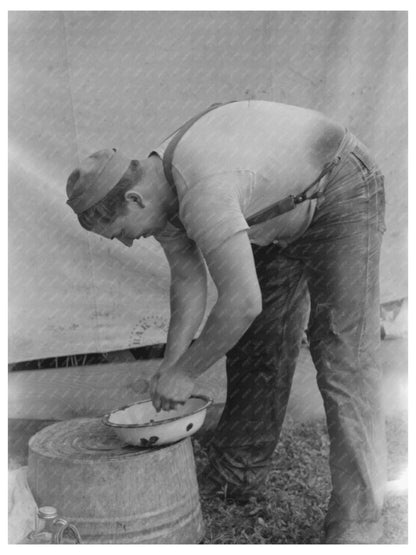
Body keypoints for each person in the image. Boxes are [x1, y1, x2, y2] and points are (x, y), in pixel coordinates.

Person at [66, 100, 387, 544]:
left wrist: (187, 372)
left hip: (340, 187)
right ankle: (237, 470)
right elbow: (187, 278)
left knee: (343, 354)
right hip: (275, 208)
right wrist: (172, 365)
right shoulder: (155, 188)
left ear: (133, 198)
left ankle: (359, 519)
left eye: (121, 232)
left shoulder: (200, 188)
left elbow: (240, 303)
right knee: (259, 342)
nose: (127, 243)